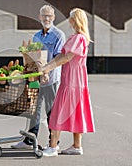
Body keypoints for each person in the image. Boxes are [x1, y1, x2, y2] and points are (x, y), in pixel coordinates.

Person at [41, 8, 95, 157]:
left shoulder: (78, 38)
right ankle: (77, 146)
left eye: (71, 18)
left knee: (58, 113)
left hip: (71, 82)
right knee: (77, 112)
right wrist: (47, 67)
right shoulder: (79, 38)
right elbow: (61, 56)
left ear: (74, 20)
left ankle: (52, 147)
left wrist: (47, 68)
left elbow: (66, 58)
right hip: (77, 82)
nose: (69, 20)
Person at [11, 5, 66, 149]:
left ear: (53, 17)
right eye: (44, 16)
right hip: (36, 79)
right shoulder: (36, 36)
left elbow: (58, 57)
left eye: (49, 16)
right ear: (39, 17)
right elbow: (34, 57)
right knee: (33, 109)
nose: (46, 18)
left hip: (51, 79)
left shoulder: (59, 35)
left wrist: (46, 71)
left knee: (51, 112)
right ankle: (29, 141)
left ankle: (53, 143)